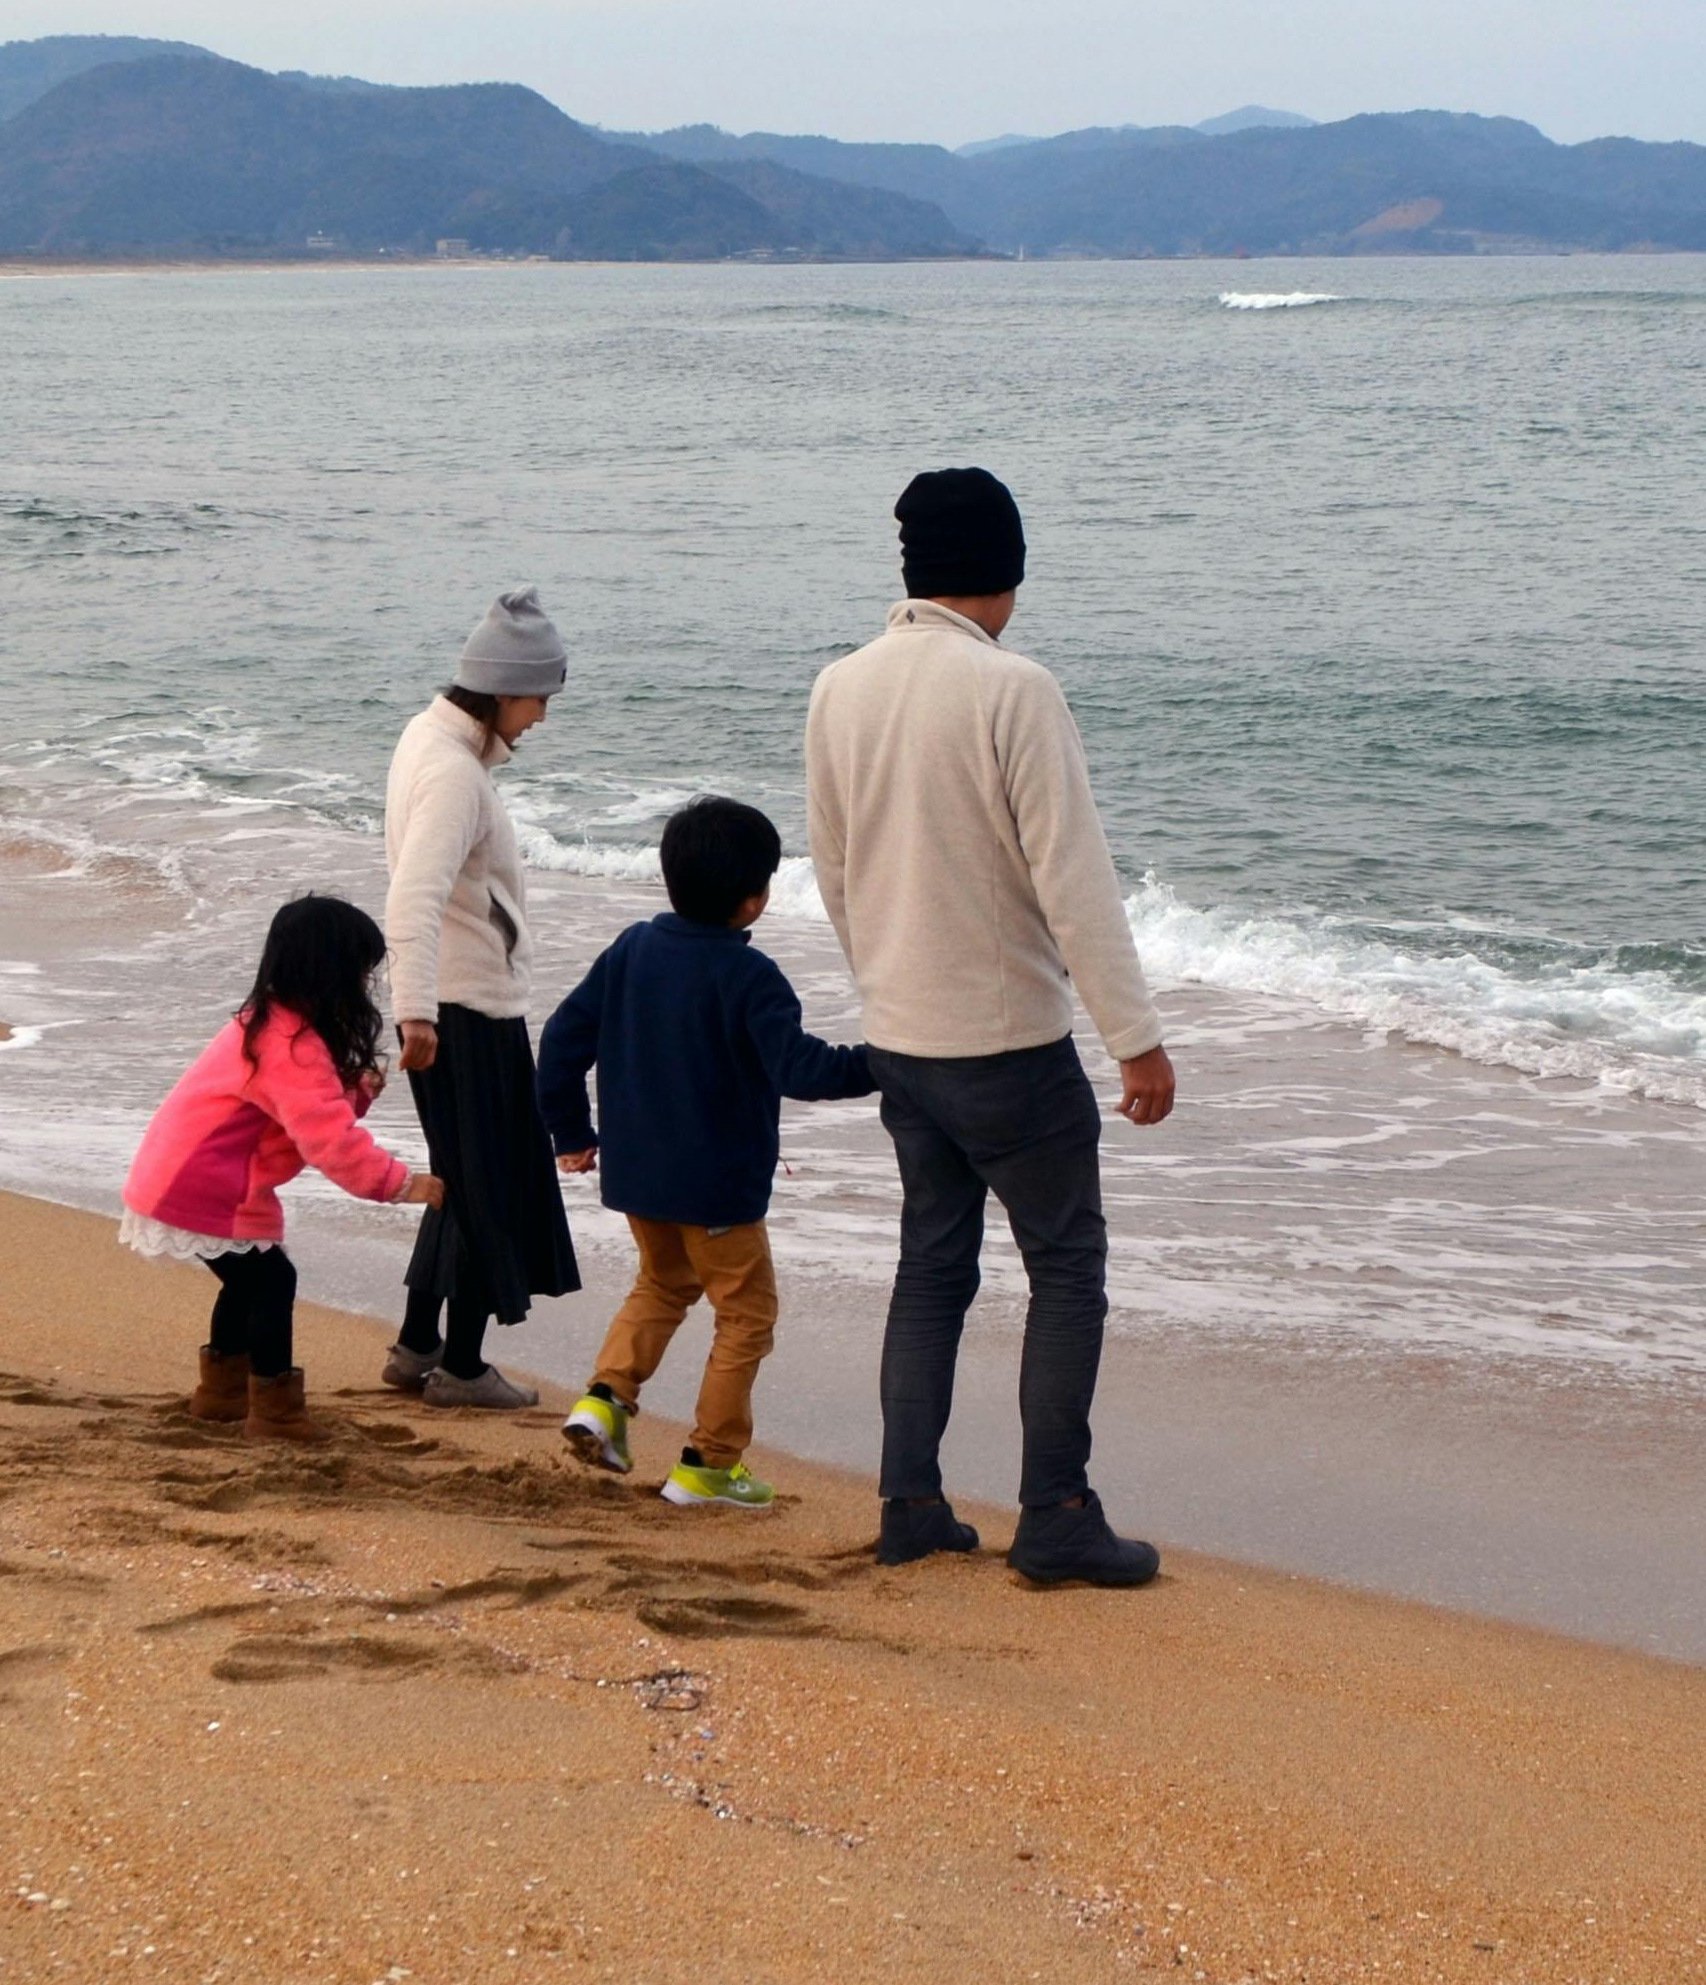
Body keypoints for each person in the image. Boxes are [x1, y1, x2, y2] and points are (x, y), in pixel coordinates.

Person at [803, 464, 1175, 1587]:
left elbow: (834, 870)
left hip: (903, 1040)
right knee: (1065, 1268)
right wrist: (1134, 1036)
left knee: (930, 1270)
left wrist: (886, 987)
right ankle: (1055, 1512)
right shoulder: (1015, 689)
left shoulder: (840, 688)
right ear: (1004, 573)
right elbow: (1075, 881)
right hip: (1009, 1046)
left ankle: (910, 1503)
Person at [536, 795, 878, 1509]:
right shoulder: (751, 976)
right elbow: (801, 1070)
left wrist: (571, 1133)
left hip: (638, 1176)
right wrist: (886, 1062)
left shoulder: (631, 950)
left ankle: (603, 1401)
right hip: (717, 1188)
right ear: (754, 900)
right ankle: (710, 1463)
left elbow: (561, 1042)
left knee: (663, 1284)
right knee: (746, 1316)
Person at [117, 894, 443, 1442]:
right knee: (272, 1281)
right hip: (204, 1185)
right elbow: (327, 1139)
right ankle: (276, 1414)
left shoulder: (267, 1024)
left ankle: (222, 1394)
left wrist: (356, 1091)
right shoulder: (292, 1044)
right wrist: (399, 1183)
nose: (366, 984)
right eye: (361, 971)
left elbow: (300, 1112)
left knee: (248, 1282)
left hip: (179, 1176)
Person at [381, 588, 586, 1406]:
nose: (541, 717)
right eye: (538, 699)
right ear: (503, 690)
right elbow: (414, 894)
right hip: (464, 1009)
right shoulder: (453, 773)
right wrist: (416, 1010)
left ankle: (416, 1346)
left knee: (459, 1176)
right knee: (487, 1185)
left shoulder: (427, 739)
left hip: (456, 1001)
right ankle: (462, 1369)